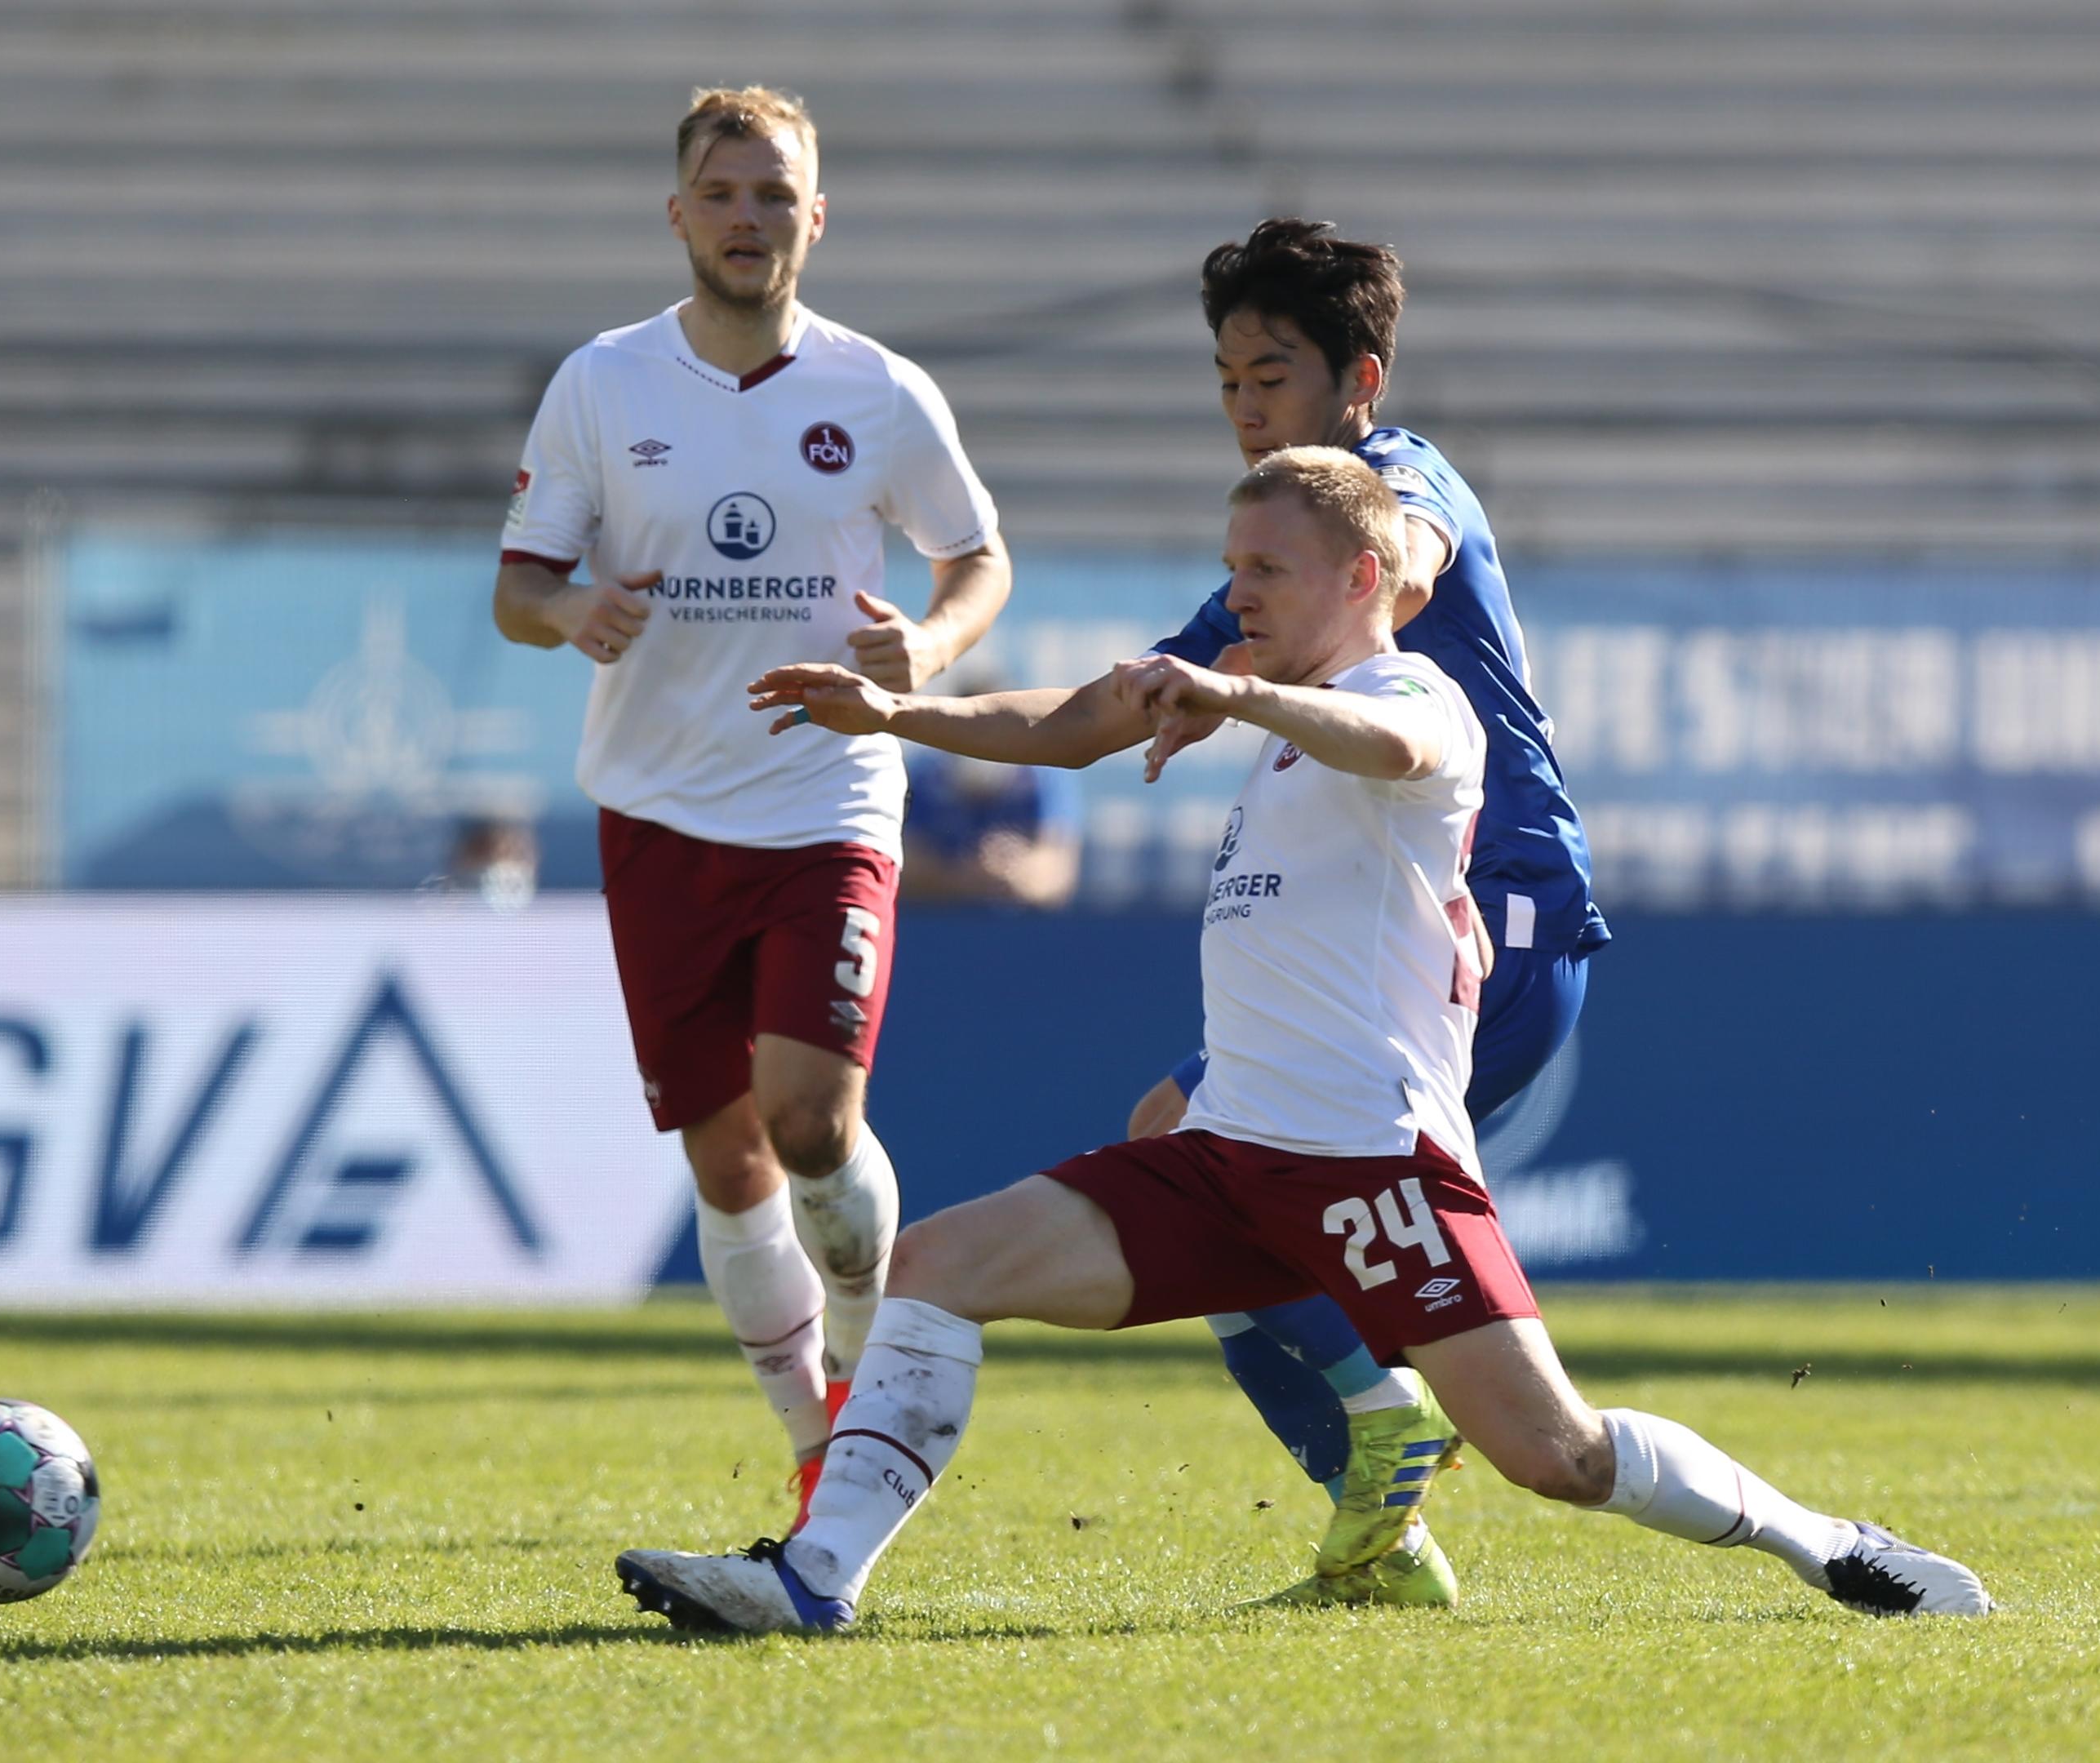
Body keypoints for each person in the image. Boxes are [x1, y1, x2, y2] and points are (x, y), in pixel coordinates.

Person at [615, 448, 1990, 1632]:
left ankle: (1829, 1545)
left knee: (1559, 1458)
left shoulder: (1418, 698)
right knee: (935, 1265)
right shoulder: (1272, 712)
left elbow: (1387, 747)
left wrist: (1244, 700)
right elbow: (1065, 720)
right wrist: (896, 713)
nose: (1241, 595)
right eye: (1232, 567)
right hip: (1226, 1163)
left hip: (1373, 1170)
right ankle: (814, 1580)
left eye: (1267, 568)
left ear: (1362, 578)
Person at [492, 86, 1011, 1528]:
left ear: (815, 218)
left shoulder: (880, 391)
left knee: (810, 1122)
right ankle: (811, 1436)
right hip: (658, 813)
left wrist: (931, 647)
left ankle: (870, 1358)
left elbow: (977, 559)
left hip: (826, 796)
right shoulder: (604, 383)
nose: (746, 217)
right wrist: (575, 609)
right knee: (726, 1161)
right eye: (721, 193)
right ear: (678, 214)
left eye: (774, 194)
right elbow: (518, 588)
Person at [1122, 219, 1614, 1604]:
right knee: (1190, 1153)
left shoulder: (1395, 489)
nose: (1244, 406)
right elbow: (1118, 700)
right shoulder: (1280, 559)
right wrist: (915, 710)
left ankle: (1383, 1453)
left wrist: (1346, 590)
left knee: (1212, 1172)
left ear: (1362, 381)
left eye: (1271, 375)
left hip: (1494, 912)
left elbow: (1410, 550)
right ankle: (1381, 1508)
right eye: (1228, 380)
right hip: (1415, 924)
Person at [899, 664, 1083, 908]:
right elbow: (900, 863)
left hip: (1017, 923)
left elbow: (1058, 870)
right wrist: (958, 878)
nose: (981, 743)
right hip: (938, 921)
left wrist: (1015, 875)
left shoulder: (1041, 775)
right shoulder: (923, 775)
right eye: (969, 730)